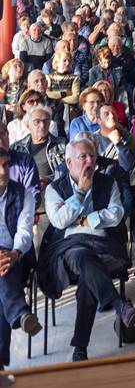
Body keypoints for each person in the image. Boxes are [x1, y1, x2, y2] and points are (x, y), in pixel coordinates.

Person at [37, 138, 135, 362]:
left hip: (104, 248)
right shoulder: (55, 188)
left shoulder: (107, 182)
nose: (89, 161)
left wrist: (87, 220)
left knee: (87, 274)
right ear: (69, 161)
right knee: (82, 256)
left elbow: (117, 214)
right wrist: (80, 194)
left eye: (92, 156)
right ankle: (118, 304)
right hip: (68, 249)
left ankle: (81, 348)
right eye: (83, 157)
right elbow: (60, 221)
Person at [0, 146, 42, 376]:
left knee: (3, 272)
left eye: (6, 165)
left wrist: (13, 254)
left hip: (18, 256)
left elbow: (25, 230)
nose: (3, 171)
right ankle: (19, 311)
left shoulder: (22, 192)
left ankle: (0, 366)